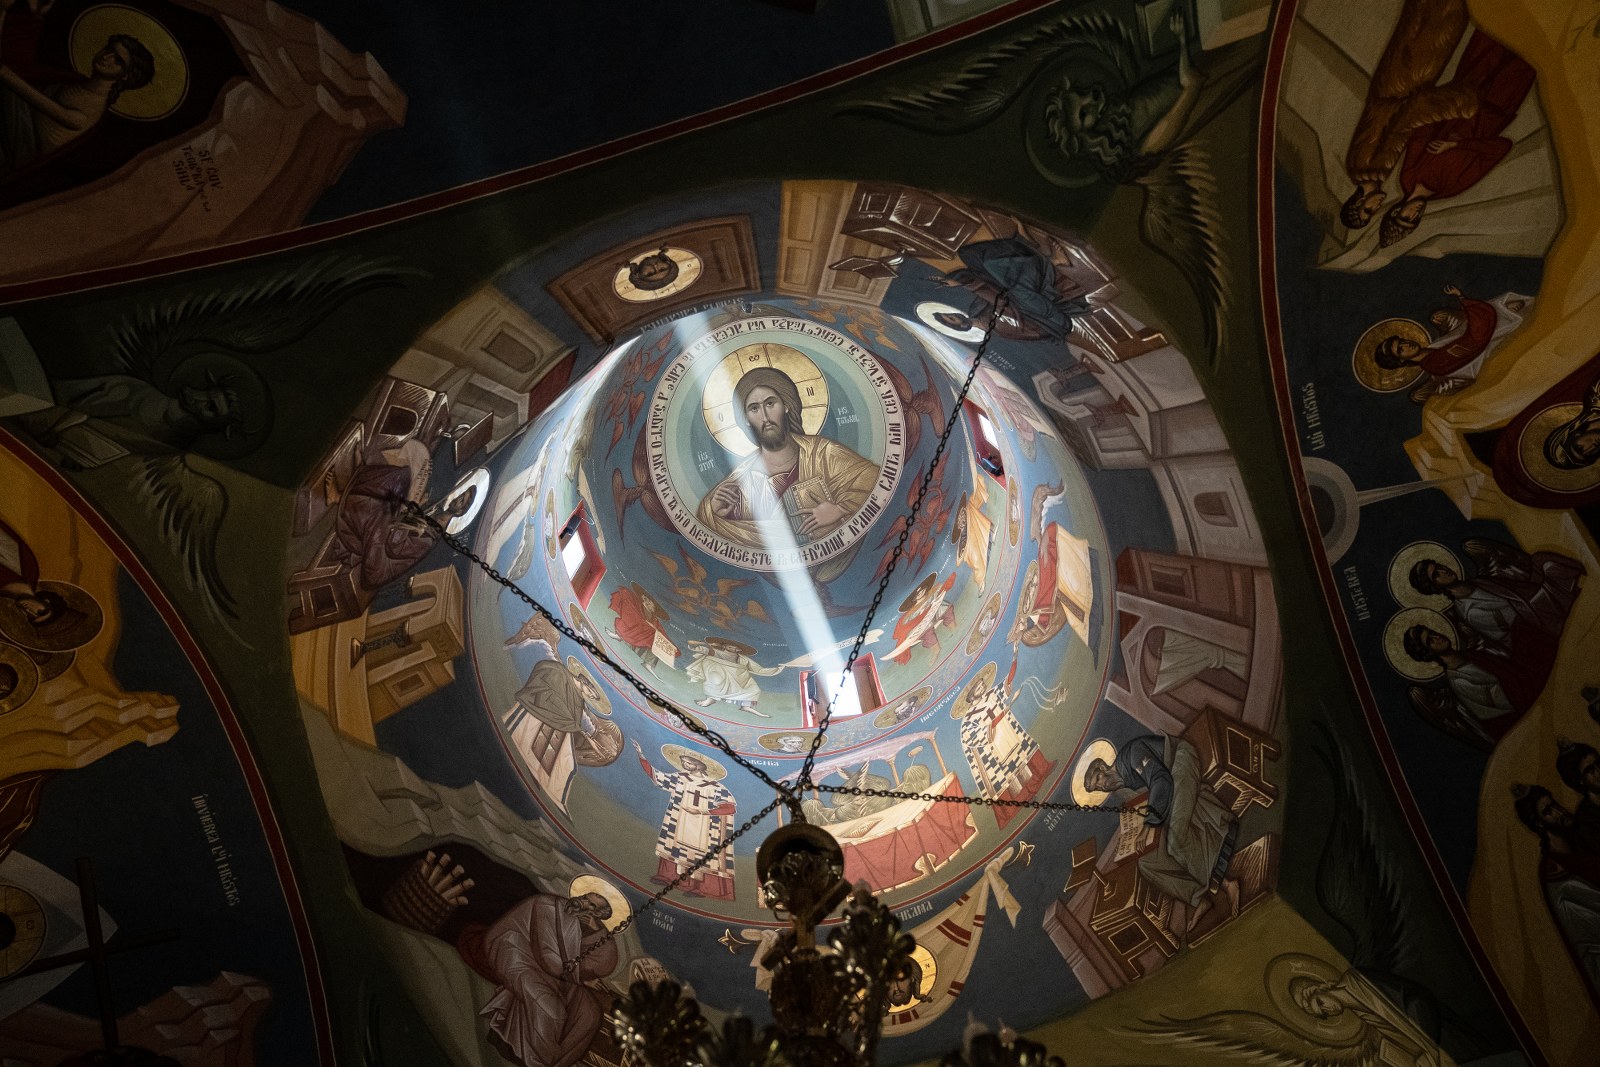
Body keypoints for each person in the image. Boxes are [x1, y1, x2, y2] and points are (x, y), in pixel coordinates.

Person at [696, 366, 879, 551]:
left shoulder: (824, 453)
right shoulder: (740, 481)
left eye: (770, 404)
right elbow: (709, 523)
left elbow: (873, 480)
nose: (765, 417)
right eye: (754, 408)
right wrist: (714, 512)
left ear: (786, 406)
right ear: (746, 419)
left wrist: (839, 510)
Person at [1379, 30, 1535, 246]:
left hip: (1464, 90)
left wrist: (1449, 102)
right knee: (1532, 48)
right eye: (1415, 221)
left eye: (1406, 217)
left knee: (1493, 33)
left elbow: (1422, 132)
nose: (1414, 214)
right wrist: (1457, 144)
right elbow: (1502, 146)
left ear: (1396, 211)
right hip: (1497, 105)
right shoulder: (1452, 188)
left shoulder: (1409, 175)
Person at [1082, 733, 1239, 945]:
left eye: (1099, 780)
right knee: (1147, 863)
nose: (1103, 787)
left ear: (1102, 767)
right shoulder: (1121, 787)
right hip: (1165, 794)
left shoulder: (1132, 754)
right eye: (1098, 788)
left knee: (1176, 839)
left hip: (1179, 764)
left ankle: (1227, 883)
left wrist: (1148, 826)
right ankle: (1198, 899)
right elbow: (1142, 804)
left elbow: (1161, 781)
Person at [1340, 0, 1471, 231]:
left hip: (1405, 79)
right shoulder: (1371, 171)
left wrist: (1457, 105)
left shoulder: (1367, 165)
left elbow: (1404, 119)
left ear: (1358, 201)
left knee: (1439, 19)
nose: (1376, 207)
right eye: (1373, 214)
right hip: (1404, 81)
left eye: (1368, 210)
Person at [0, 0, 156, 177]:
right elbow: (25, 76)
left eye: (118, 60)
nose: (107, 57)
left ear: (125, 76)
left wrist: (2, 14)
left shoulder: (90, 110)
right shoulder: (75, 81)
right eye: (109, 49)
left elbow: (23, 92)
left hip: (12, 146)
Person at [1407, 538, 1582, 654]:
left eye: (1439, 567)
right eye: (1436, 575)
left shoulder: (1476, 582)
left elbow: (1514, 588)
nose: (1444, 571)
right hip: (1533, 622)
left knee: (1540, 560)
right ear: (1436, 587)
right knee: (1550, 567)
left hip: (1529, 603)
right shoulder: (1469, 611)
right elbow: (1512, 624)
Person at [1512, 784, 1600, 1010]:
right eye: (1549, 811)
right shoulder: (1556, 874)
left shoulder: (1580, 846)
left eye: (1555, 804)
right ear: (1540, 824)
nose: (1560, 812)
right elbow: (1587, 928)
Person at [1372, 288, 1531, 400]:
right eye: (1401, 349)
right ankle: (1507, 315)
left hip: (1482, 336)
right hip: (1484, 353)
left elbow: (1462, 333)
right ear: (1401, 360)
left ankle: (1506, 314)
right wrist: (1464, 300)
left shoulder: (1435, 346)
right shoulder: (1435, 364)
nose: (1407, 344)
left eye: (1402, 341)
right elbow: (1474, 342)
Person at [935, 235, 1090, 344]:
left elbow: (985, 289)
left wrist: (959, 280)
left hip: (1014, 294)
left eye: (949, 314)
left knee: (969, 255)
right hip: (1043, 313)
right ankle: (1054, 261)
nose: (953, 314)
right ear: (962, 327)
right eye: (952, 319)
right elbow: (1035, 330)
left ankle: (1024, 243)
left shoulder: (976, 310)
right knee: (1012, 283)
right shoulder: (1000, 330)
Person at [1403, 624, 1540, 746]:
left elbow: (1511, 667)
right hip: (1525, 720)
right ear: (1429, 653)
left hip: (1531, 693)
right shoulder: (1459, 681)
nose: (1437, 637)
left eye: (1433, 632)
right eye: (1430, 640)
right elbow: (1502, 705)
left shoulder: (1471, 654)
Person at [634, 742, 736, 900]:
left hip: (705, 829)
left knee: (702, 857)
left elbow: (730, 808)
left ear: (699, 765)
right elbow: (656, 776)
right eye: (683, 762)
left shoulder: (716, 787)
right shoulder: (680, 778)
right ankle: (668, 877)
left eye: (688, 762)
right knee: (672, 847)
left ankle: (700, 887)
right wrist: (641, 755)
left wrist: (704, 812)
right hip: (679, 821)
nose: (684, 765)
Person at [958, 659, 1052, 829]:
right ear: (970, 696)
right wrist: (994, 721)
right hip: (992, 751)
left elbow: (1008, 681)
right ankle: (1021, 800)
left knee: (1021, 759)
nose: (982, 688)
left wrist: (1015, 658)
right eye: (978, 688)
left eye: (982, 684)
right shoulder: (968, 719)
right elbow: (971, 737)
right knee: (1005, 775)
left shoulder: (991, 695)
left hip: (1009, 735)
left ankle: (1033, 784)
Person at [684, 636, 782, 716]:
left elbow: (758, 669)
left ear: (738, 649)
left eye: (735, 648)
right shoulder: (715, 651)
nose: (732, 649)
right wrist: (705, 644)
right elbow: (691, 643)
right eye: (729, 647)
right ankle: (710, 699)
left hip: (737, 677)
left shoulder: (743, 658)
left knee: (754, 690)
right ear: (724, 646)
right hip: (719, 672)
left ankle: (746, 706)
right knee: (716, 680)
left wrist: (778, 669)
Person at [1544, 373, 1600, 472]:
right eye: (1588, 455)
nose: (1590, 448)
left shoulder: (1596, 397)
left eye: (1580, 448)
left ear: (1574, 435)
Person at [1557, 738, 1600, 855]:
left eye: (1598, 763)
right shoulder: (1583, 824)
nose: (1599, 771)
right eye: (1590, 771)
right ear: (1579, 781)